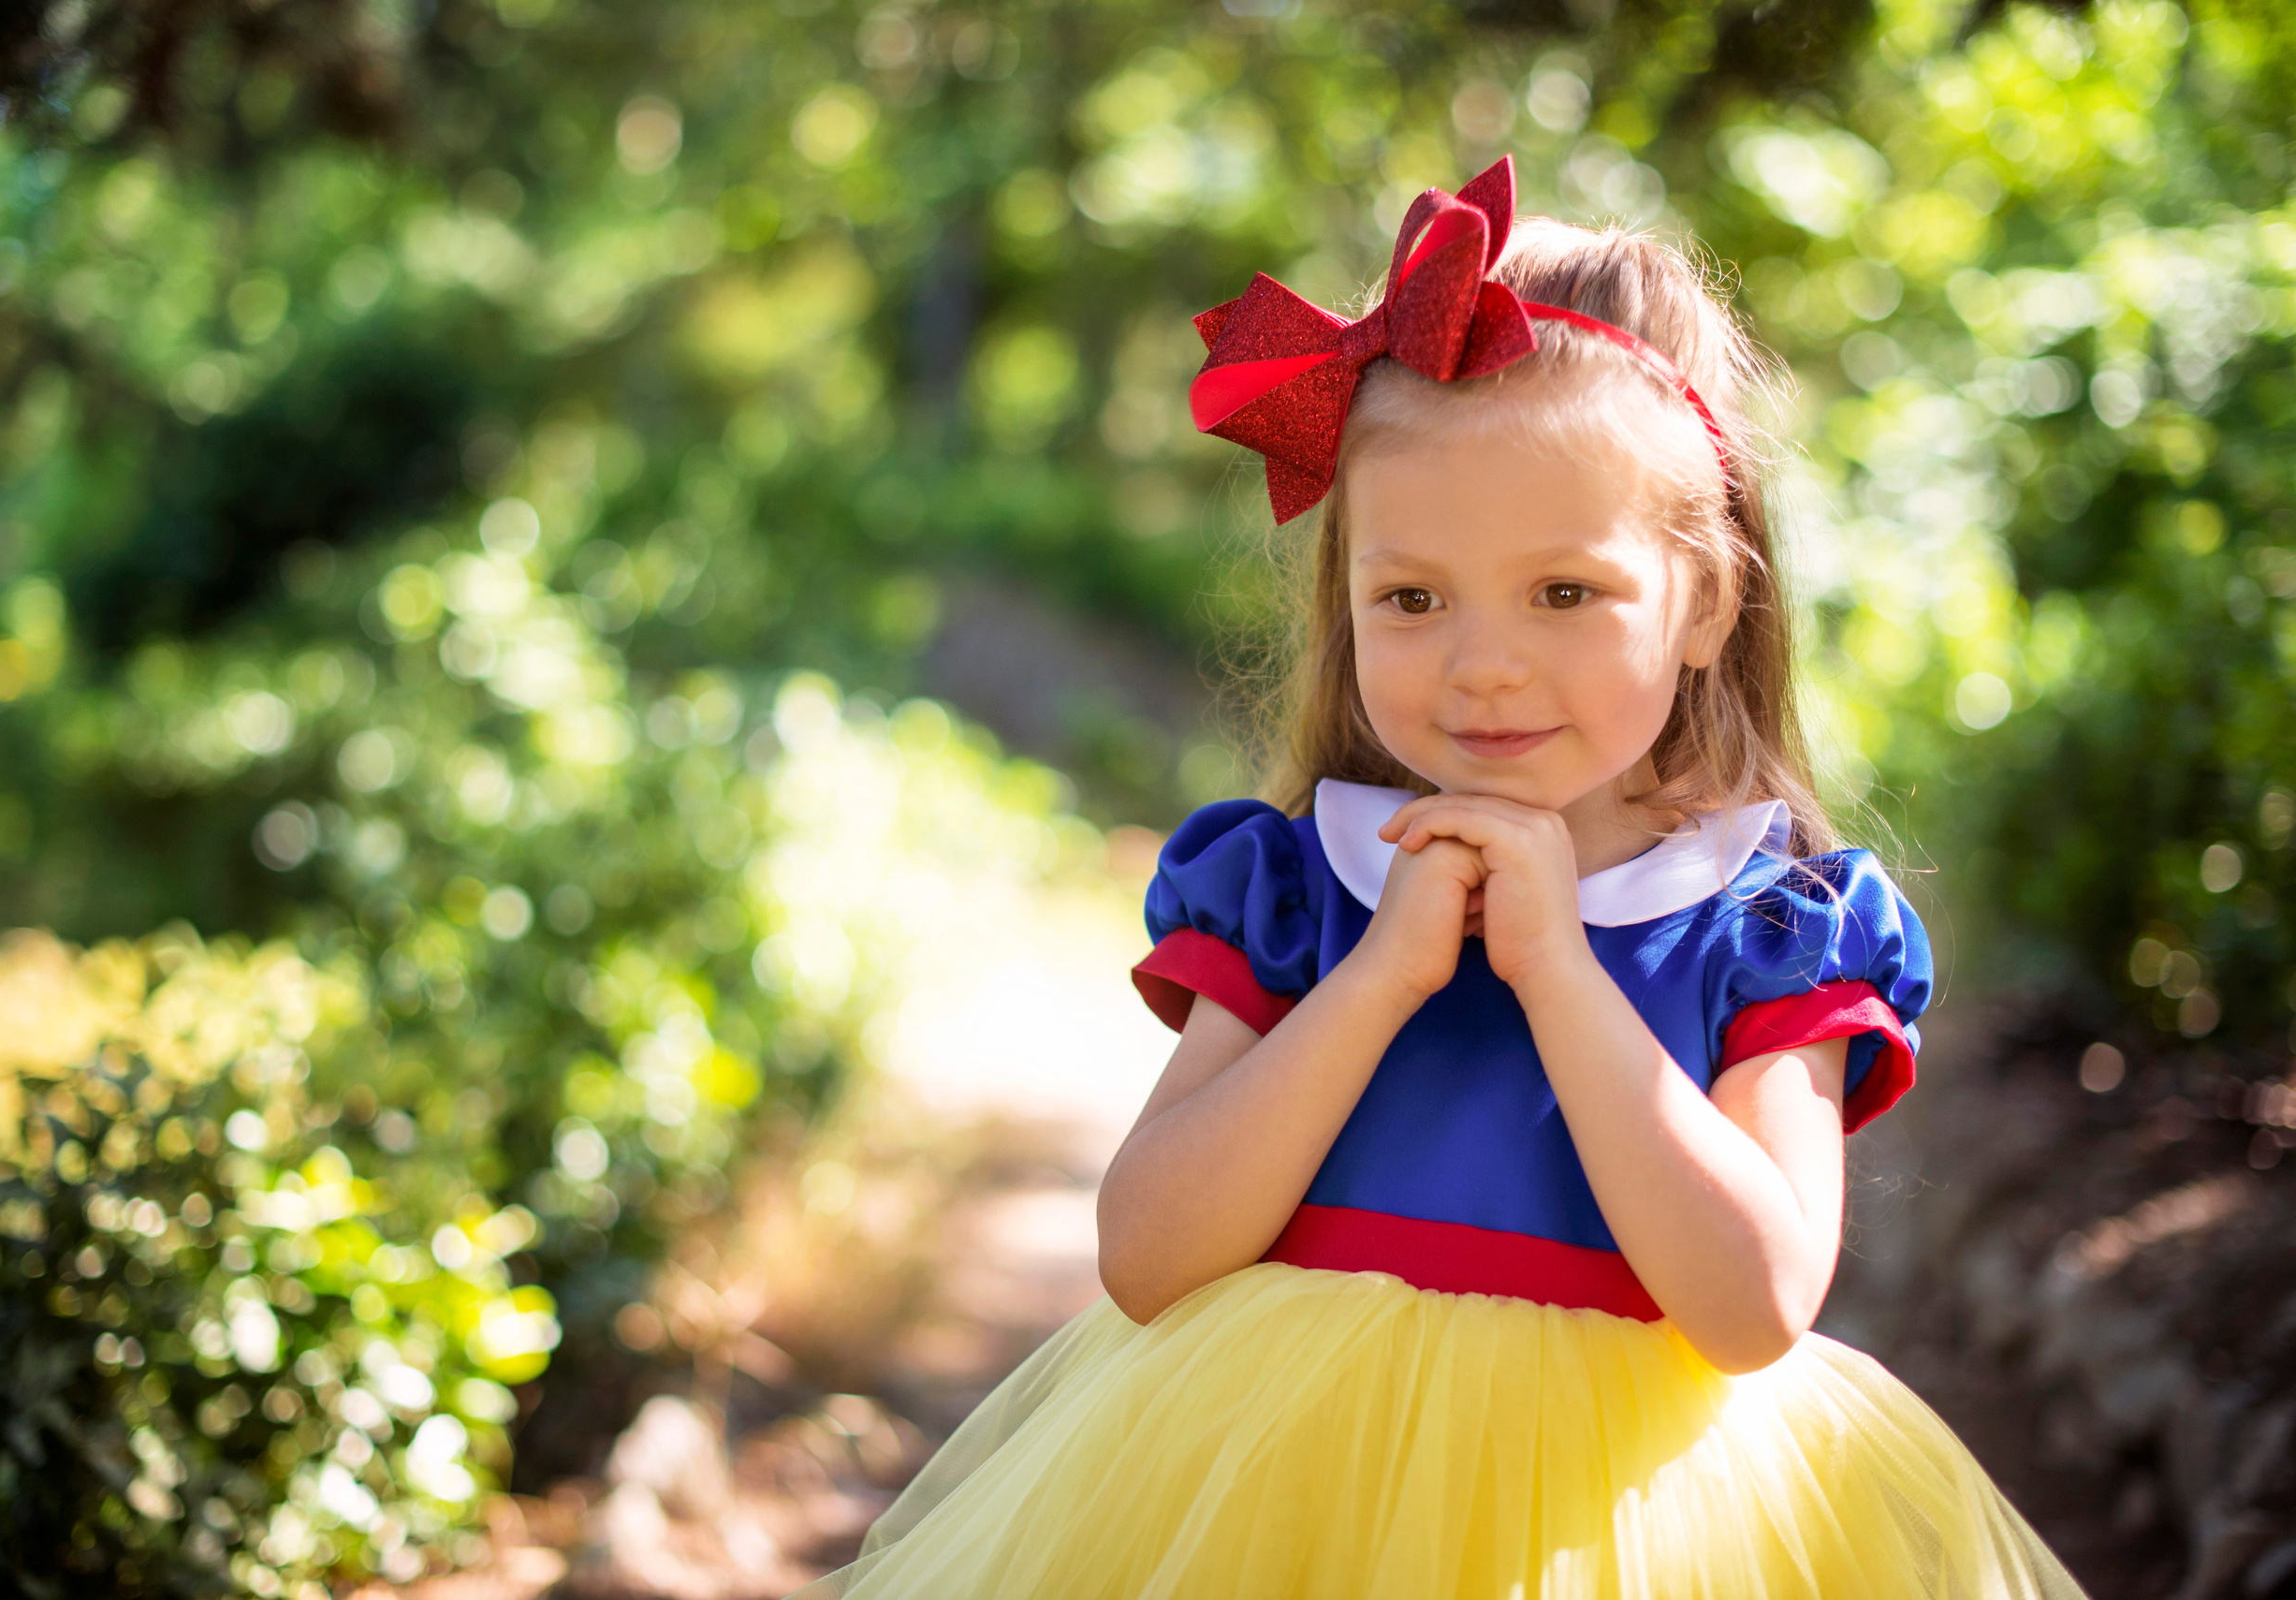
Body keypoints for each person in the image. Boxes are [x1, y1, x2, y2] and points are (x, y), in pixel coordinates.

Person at [795, 156, 2084, 1598]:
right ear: (1347, 605)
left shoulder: (1762, 930)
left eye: (1565, 592)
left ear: (1706, 602)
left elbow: (1753, 1302)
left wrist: (1556, 968)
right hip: (1268, 1495)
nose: (1483, 661)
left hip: (1624, 1534)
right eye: (1413, 597)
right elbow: (1150, 1254)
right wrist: (1381, 977)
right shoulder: (1306, 889)